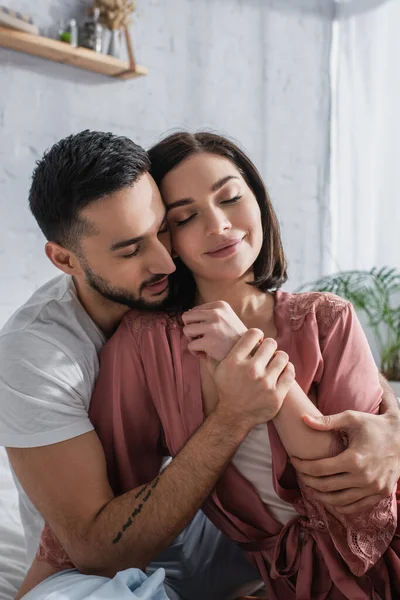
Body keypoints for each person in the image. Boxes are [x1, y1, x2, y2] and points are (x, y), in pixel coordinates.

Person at [30, 131, 400, 599]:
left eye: (230, 197)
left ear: (258, 200)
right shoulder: (145, 347)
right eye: (186, 217)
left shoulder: (327, 318)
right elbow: (114, 505)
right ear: (167, 237)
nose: (220, 225)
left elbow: (358, 505)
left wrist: (243, 348)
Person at [1, 130, 265, 600]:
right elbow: (96, 552)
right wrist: (232, 417)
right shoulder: (34, 354)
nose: (165, 261)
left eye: (163, 228)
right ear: (65, 260)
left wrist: (390, 427)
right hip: (102, 571)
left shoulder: (190, 272)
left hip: (222, 535)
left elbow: (307, 339)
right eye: (130, 249)